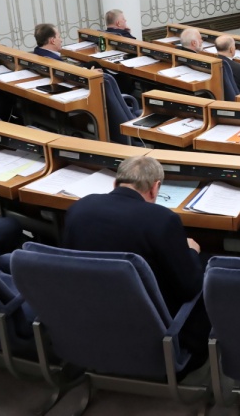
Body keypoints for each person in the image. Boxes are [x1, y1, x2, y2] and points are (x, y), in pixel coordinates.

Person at [62, 156, 209, 367]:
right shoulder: (162, 219)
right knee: (206, 267)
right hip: (155, 340)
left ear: (115, 183)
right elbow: (189, 287)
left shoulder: (79, 209)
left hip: (92, 326)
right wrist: (191, 252)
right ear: (154, 188)